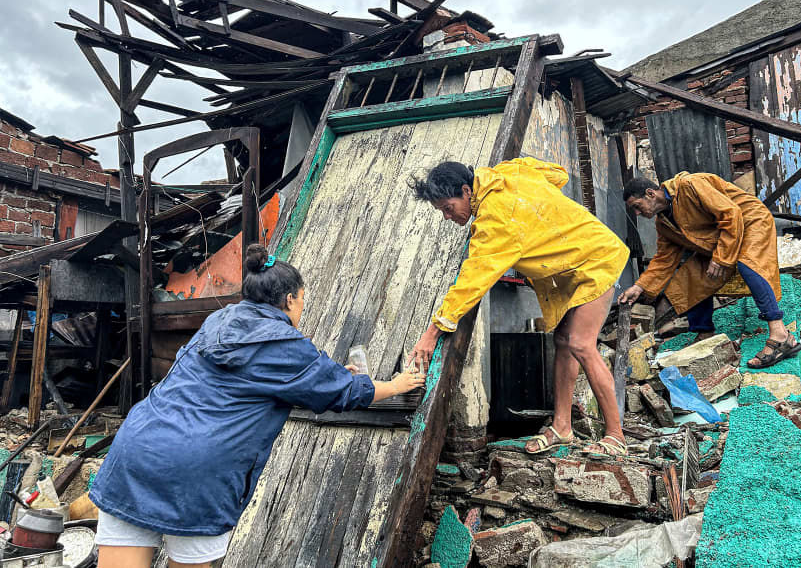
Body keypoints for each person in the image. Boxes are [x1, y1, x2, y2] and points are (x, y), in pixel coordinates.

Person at [90, 244, 424, 568]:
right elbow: (342, 392)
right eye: (303, 301)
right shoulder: (285, 343)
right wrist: (396, 385)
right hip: (196, 473)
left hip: (136, 450)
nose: (302, 309)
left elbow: (269, 373)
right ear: (290, 299)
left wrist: (327, 374)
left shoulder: (218, 321)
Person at [407, 157, 631, 456]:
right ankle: (562, 427)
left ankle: (616, 436)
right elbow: (558, 174)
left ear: (466, 191)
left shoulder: (494, 222)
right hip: (578, 263)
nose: (448, 217)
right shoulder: (510, 172)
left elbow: (471, 282)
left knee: (580, 343)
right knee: (563, 341)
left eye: (449, 208)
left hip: (597, 260)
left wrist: (432, 333)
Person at [619, 172, 799, 368]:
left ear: (650, 193)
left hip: (750, 220)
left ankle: (780, 335)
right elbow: (663, 260)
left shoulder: (689, 185)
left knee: (749, 266)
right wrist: (639, 286)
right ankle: (704, 332)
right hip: (721, 235)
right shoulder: (663, 224)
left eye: (637, 206)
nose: (637, 214)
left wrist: (721, 257)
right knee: (693, 276)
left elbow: (730, 213)